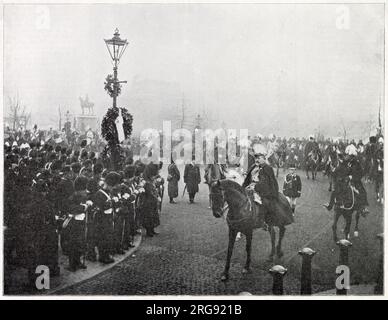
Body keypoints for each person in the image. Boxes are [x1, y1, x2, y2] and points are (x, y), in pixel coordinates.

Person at [243, 153, 279, 228]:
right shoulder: (253, 167)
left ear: (264, 159)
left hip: (265, 190)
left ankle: (263, 221)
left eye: (259, 158)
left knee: (264, 203)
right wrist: (243, 187)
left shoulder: (268, 168)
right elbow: (247, 179)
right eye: (256, 158)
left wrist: (256, 187)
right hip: (251, 187)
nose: (257, 160)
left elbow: (266, 182)